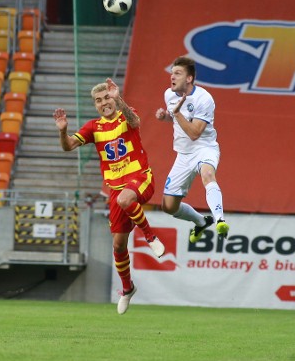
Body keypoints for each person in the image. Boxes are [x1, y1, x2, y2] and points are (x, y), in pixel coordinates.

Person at [54, 79, 165, 315]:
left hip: (140, 178)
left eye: (106, 98)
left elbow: (135, 121)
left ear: (113, 98)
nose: (104, 103)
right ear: (95, 105)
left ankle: (150, 236)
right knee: (118, 244)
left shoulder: (126, 114)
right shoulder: (94, 127)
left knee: (126, 200)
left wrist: (119, 99)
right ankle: (128, 289)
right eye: (99, 100)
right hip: (116, 188)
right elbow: (68, 146)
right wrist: (63, 131)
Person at [154, 56, 228, 243]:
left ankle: (220, 220)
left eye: (178, 73)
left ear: (189, 78)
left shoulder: (204, 99)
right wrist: (166, 117)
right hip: (183, 155)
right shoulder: (169, 94)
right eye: (172, 73)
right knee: (168, 206)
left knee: (207, 175)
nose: (172, 77)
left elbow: (194, 133)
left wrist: (176, 114)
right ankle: (201, 221)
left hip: (204, 148)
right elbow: (177, 117)